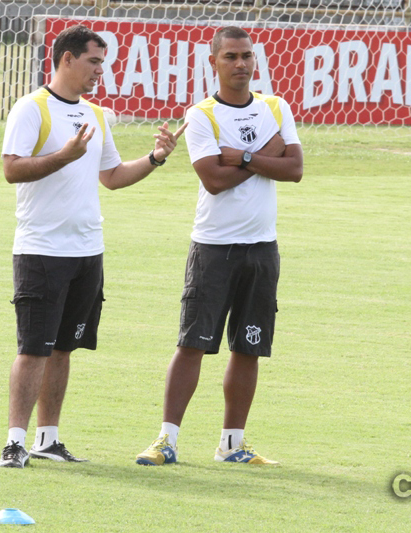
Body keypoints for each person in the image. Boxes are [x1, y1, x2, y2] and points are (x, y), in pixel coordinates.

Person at [0, 24, 187, 468]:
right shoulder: (31, 109)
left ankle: (48, 438)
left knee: (64, 349)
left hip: (87, 251)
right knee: (33, 349)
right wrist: (62, 156)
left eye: (103, 62)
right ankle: (13, 442)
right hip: (41, 249)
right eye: (94, 61)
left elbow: (113, 177)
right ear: (67, 59)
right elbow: (12, 170)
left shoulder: (99, 116)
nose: (100, 71)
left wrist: (156, 158)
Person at [136, 26, 303, 466]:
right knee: (193, 343)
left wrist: (243, 156)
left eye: (247, 55)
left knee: (249, 347)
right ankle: (166, 440)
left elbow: (296, 169)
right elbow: (213, 181)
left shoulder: (276, 106)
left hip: (262, 249)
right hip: (213, 248)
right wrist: (267, 154)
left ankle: (233, 443)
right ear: (214, 62)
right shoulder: (202, 115)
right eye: (230, 56)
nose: (241, 64)